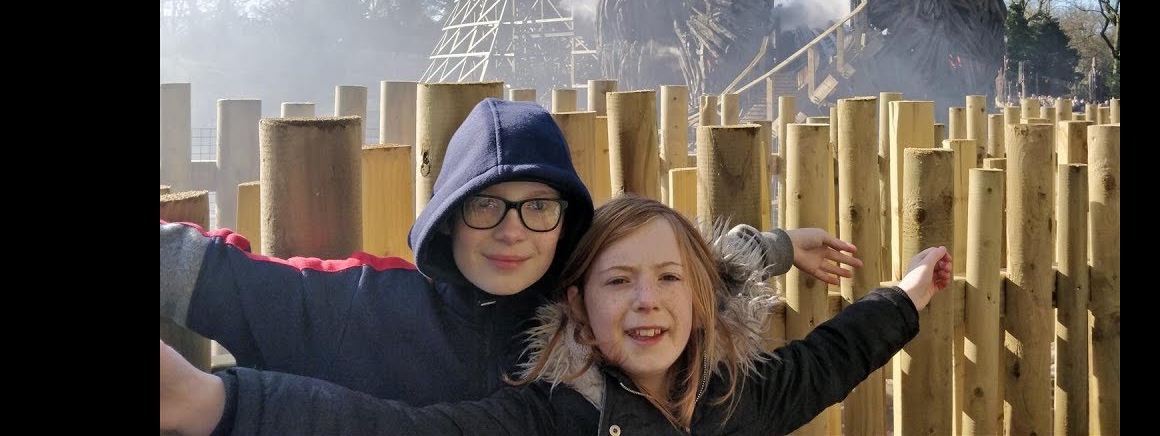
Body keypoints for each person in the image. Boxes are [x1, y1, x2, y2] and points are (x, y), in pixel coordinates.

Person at [160, 97, 862, 406]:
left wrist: (777, 245)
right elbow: (215, 274)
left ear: (564, 223)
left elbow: (692, 273)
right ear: (450, 218)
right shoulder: (365, 305)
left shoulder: (589, 315)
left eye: (539, 206)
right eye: (486, 203)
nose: (512, 230)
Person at [160, 195, 952, 435]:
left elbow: (838, 352)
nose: (647, 302)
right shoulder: (551, 420)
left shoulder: (742, 391)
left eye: (670, 281)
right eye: (618, 285)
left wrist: (911, 289)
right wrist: (214, 403)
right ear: (576, 306)